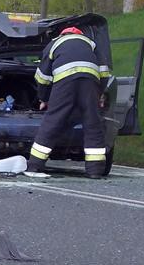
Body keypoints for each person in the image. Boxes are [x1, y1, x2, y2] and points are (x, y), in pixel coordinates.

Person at [29, 26, 109, 177]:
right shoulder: (91, 43)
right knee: (93, 123)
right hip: (89, 82)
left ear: (62, 34)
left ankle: (34, 165)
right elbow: (104, 72)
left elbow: (42, 77)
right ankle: (95, 171)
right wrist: (99, 93)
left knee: (53, 121)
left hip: (64, 83)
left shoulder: (54, 44)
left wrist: (44, 98)